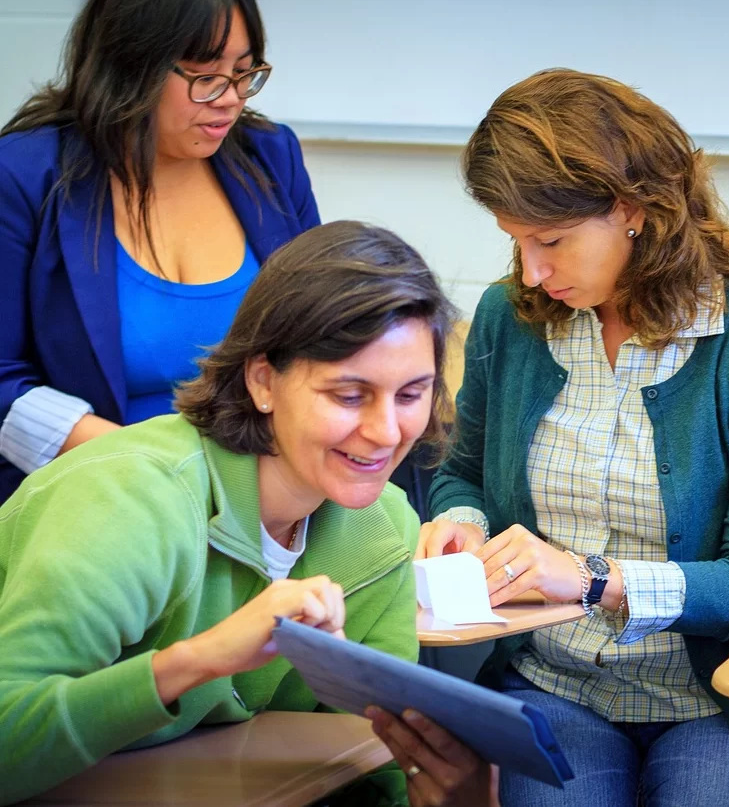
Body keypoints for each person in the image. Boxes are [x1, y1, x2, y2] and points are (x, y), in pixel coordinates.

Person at [415, 68, 729, 807]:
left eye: (552, 241)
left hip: (715, 702)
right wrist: (460, 526)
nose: (534, 273)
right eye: (516, 243)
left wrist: (595, 579)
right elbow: (463, 474)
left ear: (633, 210)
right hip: (553, 683)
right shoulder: (512, 318)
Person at [0, 222, 488, 807]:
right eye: (349, 395)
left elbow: (368, 771)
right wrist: (198, 661)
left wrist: (452, 797)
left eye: (411, 394)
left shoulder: (385, 527)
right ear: (263, 380)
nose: (386, 432)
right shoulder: (131, 499)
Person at [0, 0, 320, 503]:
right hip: (94, 492)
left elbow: (324, 329)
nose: (230, 100)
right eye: (205, 77)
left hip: (260, 494)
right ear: (131, 65)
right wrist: (147, 468)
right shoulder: (26, 176)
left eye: (245, 74)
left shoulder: (271, 156)